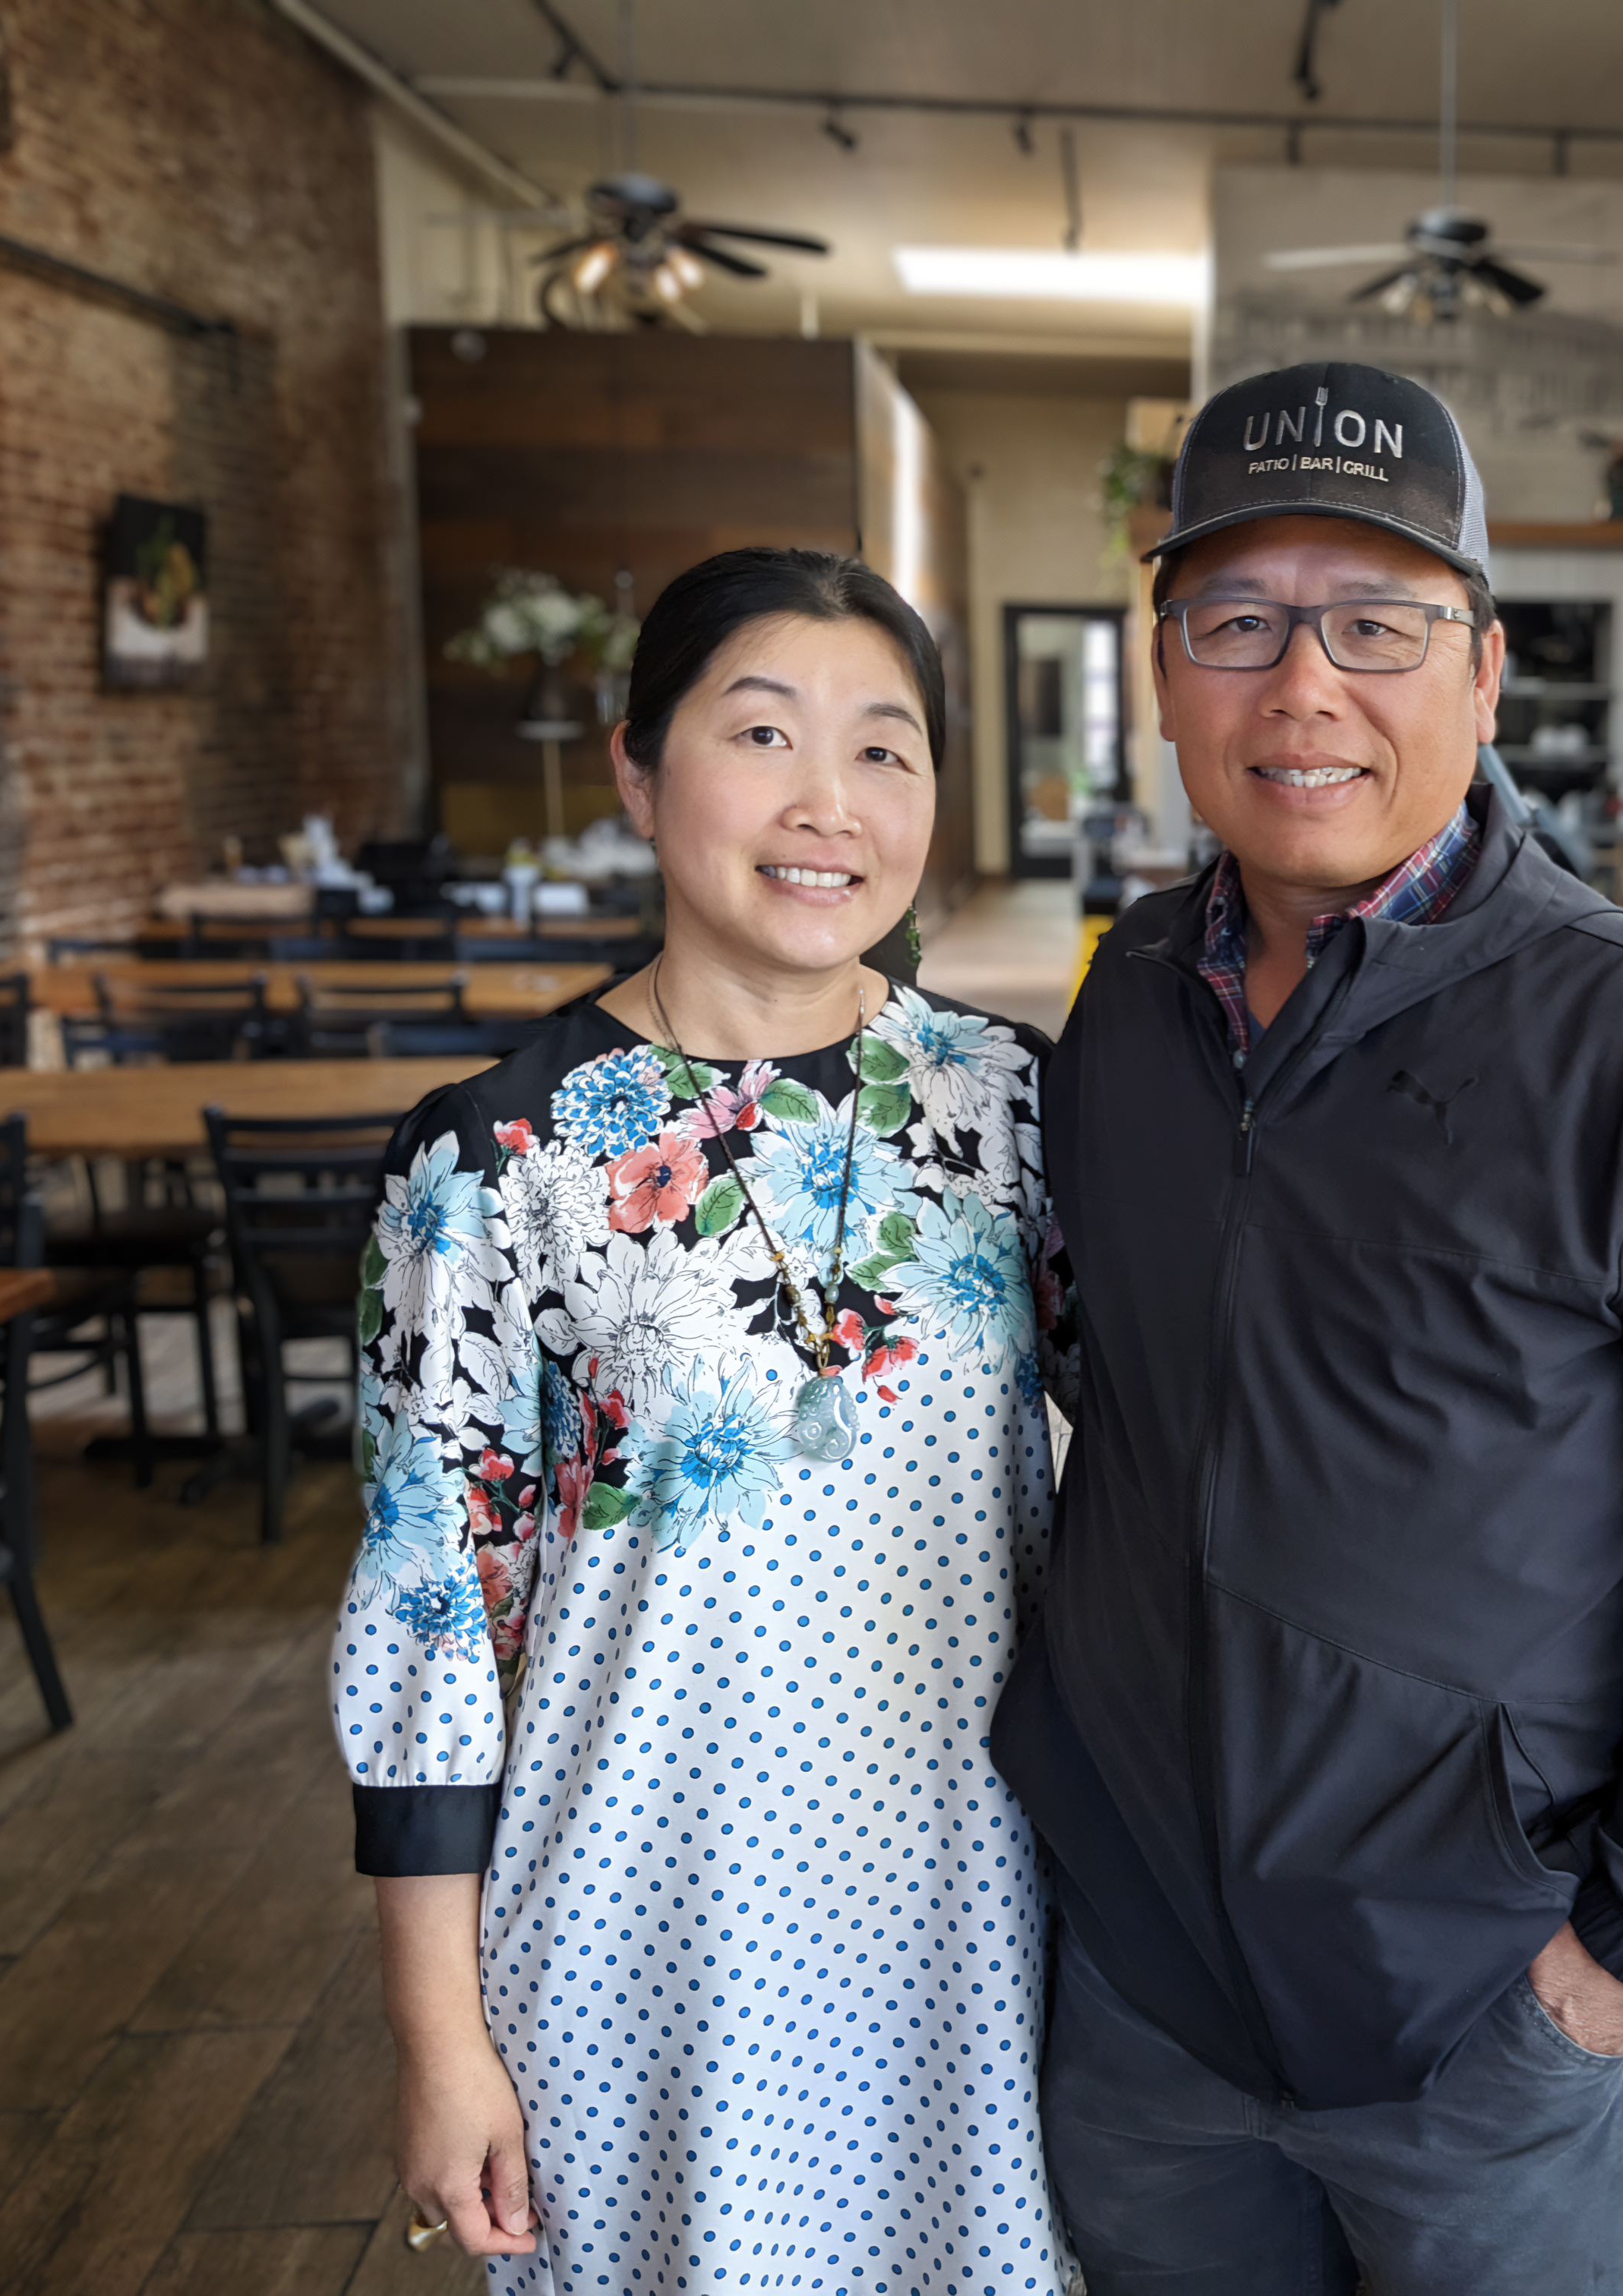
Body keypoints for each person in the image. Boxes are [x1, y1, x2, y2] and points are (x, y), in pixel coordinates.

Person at [996, 361, 1623, 2293]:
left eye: (1377, 625)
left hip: (1486, 2009)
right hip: (1144, 1996)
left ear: (1482, 676)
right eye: (1235, 622)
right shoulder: (1132, 994)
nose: (1302, 685)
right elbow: (1112, 1389)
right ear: (1165, 677)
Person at [332, 547, 1073, 2293]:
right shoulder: (492, 1158)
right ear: (637, 769)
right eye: (763, 734)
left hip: (975, 1924)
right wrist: (442, 2044)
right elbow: (429, 1623)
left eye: (887, 750)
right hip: (637, 1935)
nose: (831, 804)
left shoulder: (1017, 1108)